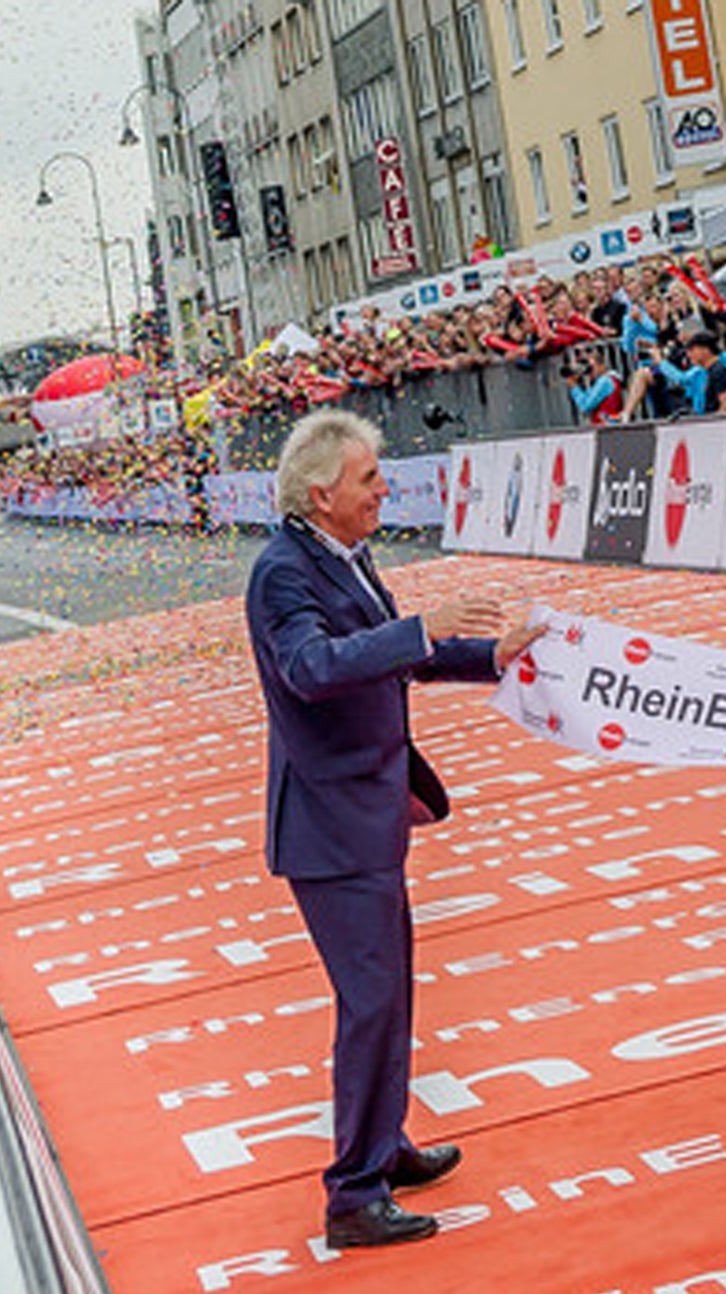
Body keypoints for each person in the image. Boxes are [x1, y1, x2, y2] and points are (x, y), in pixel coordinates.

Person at [245, 410, 545, 1247]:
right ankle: (351, 1195)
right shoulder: (281, 574)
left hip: (369, 815)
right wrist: (424, 626)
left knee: (390, 996)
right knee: (371, 1003)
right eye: (370, 478)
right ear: (322, 493)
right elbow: (315, 670)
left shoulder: (343, 556)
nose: (385, 489)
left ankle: (385, 1146)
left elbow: (393, 655)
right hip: (330, 828)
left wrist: (492, 654)